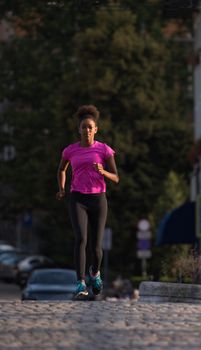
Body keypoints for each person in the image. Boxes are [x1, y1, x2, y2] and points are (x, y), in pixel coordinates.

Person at [56, 105, 119, 299]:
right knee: (81, 239)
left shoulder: (104, 149)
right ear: (79, 130)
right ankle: (80, 282)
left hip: (98, 198)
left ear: (96, 129)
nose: (87, 130)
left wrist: (103, 172)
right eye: (84, 127)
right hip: (78, 198)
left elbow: (116, 177)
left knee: (96, 246)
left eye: (90, 127)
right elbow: (61, 170)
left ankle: (95, 273)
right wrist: (61, 188)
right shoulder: (70, 150)